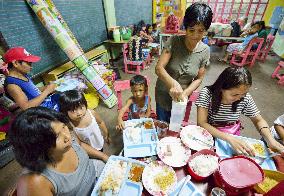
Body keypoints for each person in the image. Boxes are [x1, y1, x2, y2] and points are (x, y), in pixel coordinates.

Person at [8, 107, 108, 195]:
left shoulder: (66, 140)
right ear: (37, 146)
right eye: (56, 136)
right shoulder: (34, 182)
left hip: (98, 173)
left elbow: (80, 144)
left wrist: (103, 156)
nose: (67, 137)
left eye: (64, 127)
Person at [196, 67, 284, 156]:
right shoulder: (207, 94)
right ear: (221, 88)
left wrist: (269, 139)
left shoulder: (244, 98)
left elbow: (258, 120)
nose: (239, 98)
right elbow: (202, 123)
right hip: (210, 134)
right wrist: (229, 138)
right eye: (235, 94)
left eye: (243, 94)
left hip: (232, 133)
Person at [155, 3, 213, 123]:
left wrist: (186, 93)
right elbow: (159, 68)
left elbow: (199, 78)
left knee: (176, 126)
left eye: (201, 31)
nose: (195, 35)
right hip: (163, 93)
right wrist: (173, 83)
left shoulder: (205, 50)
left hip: (182, 99)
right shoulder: (174, 41)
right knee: (162, 124)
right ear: (185, 28)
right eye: (191, 30)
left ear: (206, 30)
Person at [58, 90, 110, 156]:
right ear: (65, 111)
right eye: (73, 110)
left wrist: (106, 134)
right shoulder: (69, 125)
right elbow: (79, 143)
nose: (79, 113)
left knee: (101, 151)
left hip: (99, 141)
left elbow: (101, 122)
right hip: (88, 150)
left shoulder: (92, 113)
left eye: (81, 107)